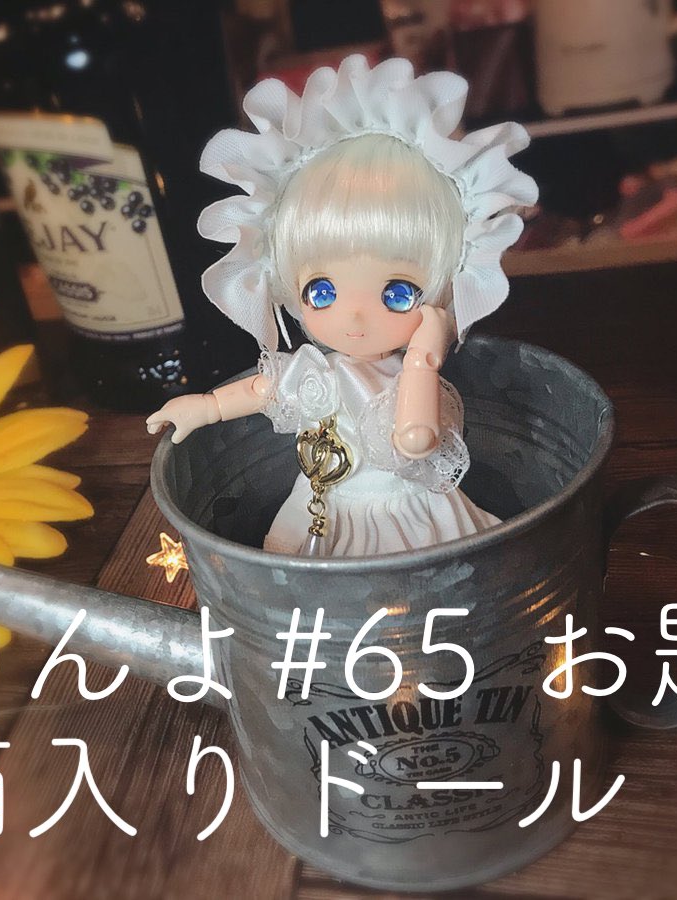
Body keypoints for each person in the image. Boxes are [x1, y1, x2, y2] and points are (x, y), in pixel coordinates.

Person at [147, 55, 536, 556]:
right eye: (322, 292)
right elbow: (266, 389)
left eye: (397, 294)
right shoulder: (317, 371)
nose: (353, 316)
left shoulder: (410, 382)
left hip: (402, 512)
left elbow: (414, 441)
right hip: (323, 507)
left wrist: (423, 357)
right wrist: (206, 406)